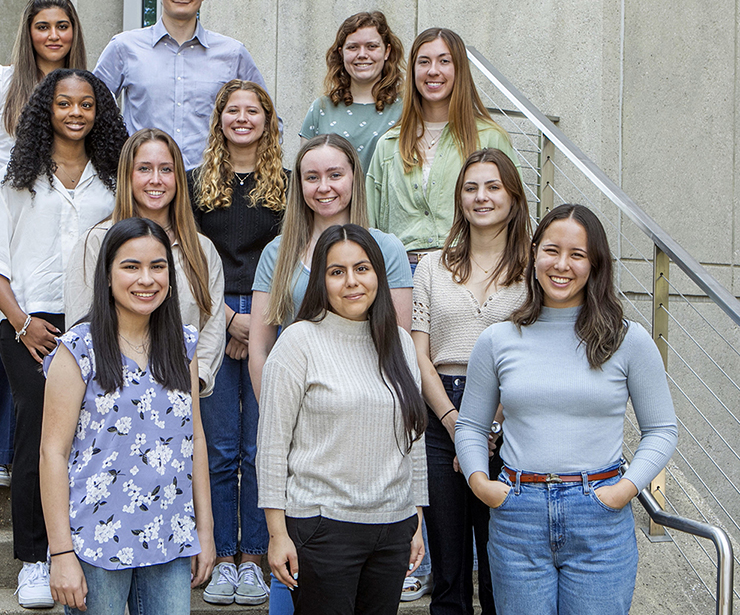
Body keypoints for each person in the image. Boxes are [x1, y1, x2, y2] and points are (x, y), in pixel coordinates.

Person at [455, 204, 678, 615]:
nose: (562, 265)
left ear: (595, 264)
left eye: (577, 254)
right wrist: (480, 483)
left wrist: (622, 492)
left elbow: (662, 429)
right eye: (552, 250)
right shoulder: (498, 339)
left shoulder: (629, 340)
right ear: (534, 252)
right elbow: (470, 425)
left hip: (599, 514)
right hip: (518, 513)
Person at [0, 68, 126, 609]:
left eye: (86, 104)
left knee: (92, 435)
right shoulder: (16, 178)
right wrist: (20, 323)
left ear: (98, 112)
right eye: (65, 103)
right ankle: (36, 560)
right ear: (47, 109)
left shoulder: (114, 179)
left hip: (94, 322)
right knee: (37, 430)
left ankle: (81, 543)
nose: (76, 113)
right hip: (29, 324)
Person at [39, 218, 216, 615]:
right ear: (106, 275)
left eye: (157, 266)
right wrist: (61, 552)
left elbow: (196, 440)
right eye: (131, 266)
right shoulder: (78, 349)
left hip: (169, 536)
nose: (146, 279)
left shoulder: (183, 345)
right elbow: (52, 453)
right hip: (94, 540)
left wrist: (204, 529)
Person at [257, 224, 428, 615]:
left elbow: (413, 440)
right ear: (322, 280)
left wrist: (416, 519)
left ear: (379, 276)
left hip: (392, 527)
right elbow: (271, 446)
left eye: (362, 269)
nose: (352, 282)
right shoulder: (299, 341)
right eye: (337, 272)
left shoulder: (400, 343)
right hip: (322, 529)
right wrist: (277, 533)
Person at [0, 0, 86, 488]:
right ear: (28, 32)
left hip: (63, 214)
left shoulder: (83, 86)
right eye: (43, 26)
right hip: (2, 215)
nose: (53, 35)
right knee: (0, 331)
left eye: (62, 26)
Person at [411, 149, 531, 614]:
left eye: (493, 186)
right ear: (459, 199)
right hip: (442, 411)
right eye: (470, 187)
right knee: (449, 573)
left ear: (513, 196)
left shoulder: (534, 270)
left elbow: (530, 354)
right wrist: (457, 424)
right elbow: (419, 354)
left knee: (502, 569)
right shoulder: (432, 267)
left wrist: (486, 427)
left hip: (510, 416)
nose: (481, 197)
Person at [188, 79, 287, 606]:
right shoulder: (195, 181)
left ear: (267, 120)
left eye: (254, 110)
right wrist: (229, 320)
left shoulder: (288, 186)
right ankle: (222, 555)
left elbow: (294, 256)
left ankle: (255, 557)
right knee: (222, 445)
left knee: (260, 445)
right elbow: (186, 254)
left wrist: (259, 323)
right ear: (219, 119)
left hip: (273, 316)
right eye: (233, 110)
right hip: (214, 315)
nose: (243, 118)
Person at [63, 128, 225, 397]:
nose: (156, 180)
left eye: (166, 170)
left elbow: (212, 326)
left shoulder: (202, 249)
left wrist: (193, 382)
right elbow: (80, 324)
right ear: (127, 175)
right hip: (111, 395)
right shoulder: (96, 242)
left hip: (180, 394)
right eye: (144, 169)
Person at [249, 132, 412, 399]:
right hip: (298, 399)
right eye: (312, 177)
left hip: (367, 400)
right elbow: (260, 350)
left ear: (354, 178)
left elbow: (399, 344)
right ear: (300, 184)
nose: (323, 187)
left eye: (335, 175)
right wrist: (273, 416)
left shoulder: (387, 249)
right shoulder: (277, 254)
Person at [94, 0, 272, 169]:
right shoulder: (124, 48)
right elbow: (93, 110)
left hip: (211, 189)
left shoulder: (232, 54)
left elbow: (268, 121)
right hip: (146, 184)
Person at [366, 27, 518, 269]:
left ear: (459, 69)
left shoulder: (490, 138)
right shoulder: (388, 144)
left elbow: (514, 212)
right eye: (424, 62)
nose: (433, 71)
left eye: (444, 61)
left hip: (469, 267)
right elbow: (369, 223)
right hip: (401, 272)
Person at [299, 11, 404, 169]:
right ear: (341, 53)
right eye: (353, 47)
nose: (362, 55)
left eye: (371, 46)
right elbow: (306, 173)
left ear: (387, 51)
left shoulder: (406, 108)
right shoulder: (321, 109)